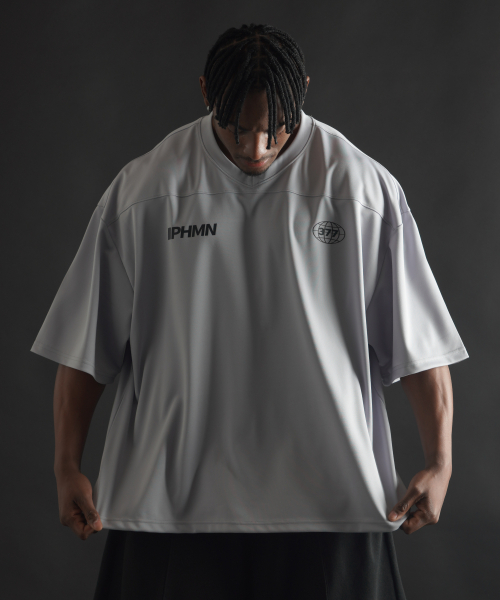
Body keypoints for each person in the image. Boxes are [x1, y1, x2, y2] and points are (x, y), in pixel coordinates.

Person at [31, 23, 469, 600]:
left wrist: (440, 461)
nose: (256, 147)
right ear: (206, 92)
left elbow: (420, 343)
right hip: (169, 510)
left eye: (274, 128)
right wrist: (66, 465)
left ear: (302, 92)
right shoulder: (143, 192)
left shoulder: (363, 190)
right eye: (237, 127)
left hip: (332, 507)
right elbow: (85, 345)